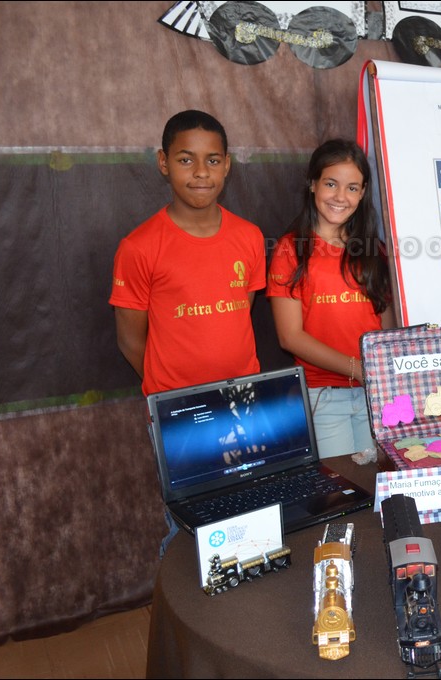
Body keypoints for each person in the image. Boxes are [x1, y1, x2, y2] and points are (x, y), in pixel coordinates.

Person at [109, 109, 266, 554]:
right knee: (192, 531)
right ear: (163, 163)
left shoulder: (249, 237)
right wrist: (174, 395)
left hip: (243, 402)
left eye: (212, 160)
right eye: (185, 160)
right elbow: (130, 339)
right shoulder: (139, 247)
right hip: (179, 412)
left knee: (249, 518)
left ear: (227, 165)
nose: (201, 172)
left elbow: (240, 310)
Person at [267, 139, 392, 459]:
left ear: (363, 193)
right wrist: (356, 368)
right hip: (323, 397)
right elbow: (290, 336)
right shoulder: (290, 250)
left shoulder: (374, 251)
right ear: (313, 184)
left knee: (381, 480)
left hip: (376, 394)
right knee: (342, 484)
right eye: (331, 184)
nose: (340, 196)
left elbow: (386, 323)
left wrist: (379, 373)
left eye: (352, 188)